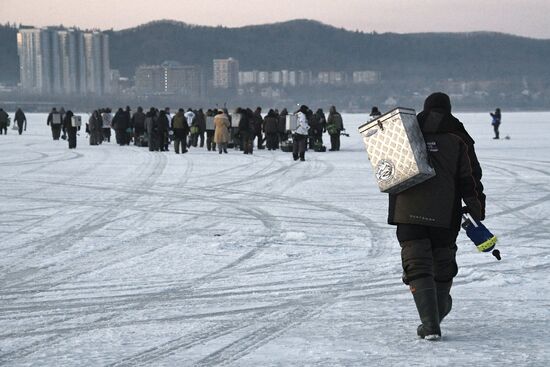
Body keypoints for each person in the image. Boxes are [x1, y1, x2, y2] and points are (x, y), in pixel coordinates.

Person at [387, 92, 486, 340]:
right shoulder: (459, 137)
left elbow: (387, 168)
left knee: (416, 262)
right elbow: (470, 177)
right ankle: (437, 313)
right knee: (442, 263)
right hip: (445, 213)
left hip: (407, 210)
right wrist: (475, 206)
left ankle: (430, 323)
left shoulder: (407, 133)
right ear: (448, 109)